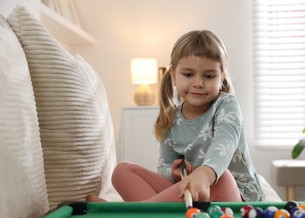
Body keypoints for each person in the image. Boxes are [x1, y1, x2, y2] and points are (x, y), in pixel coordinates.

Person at [89, 30, 265, 203]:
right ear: (173, 76)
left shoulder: (227, 106)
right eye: (188, 74)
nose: (198, 83)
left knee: (224, 177)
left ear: (222, 79)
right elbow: (164, 166)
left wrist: (204, 175)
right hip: (192, 194)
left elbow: (224, 144)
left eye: (209, 76)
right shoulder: (171, 119)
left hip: (233, 195)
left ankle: (129, 214)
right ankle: (155, 211)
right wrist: (172, 173)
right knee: (122, 171)